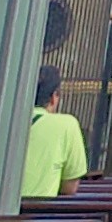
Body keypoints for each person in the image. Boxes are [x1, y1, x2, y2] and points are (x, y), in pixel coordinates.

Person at [21, 64, 89, 199]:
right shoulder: (67, 125)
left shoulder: (1, 121)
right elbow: (70, 187)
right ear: (54, 97)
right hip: (41, 216)